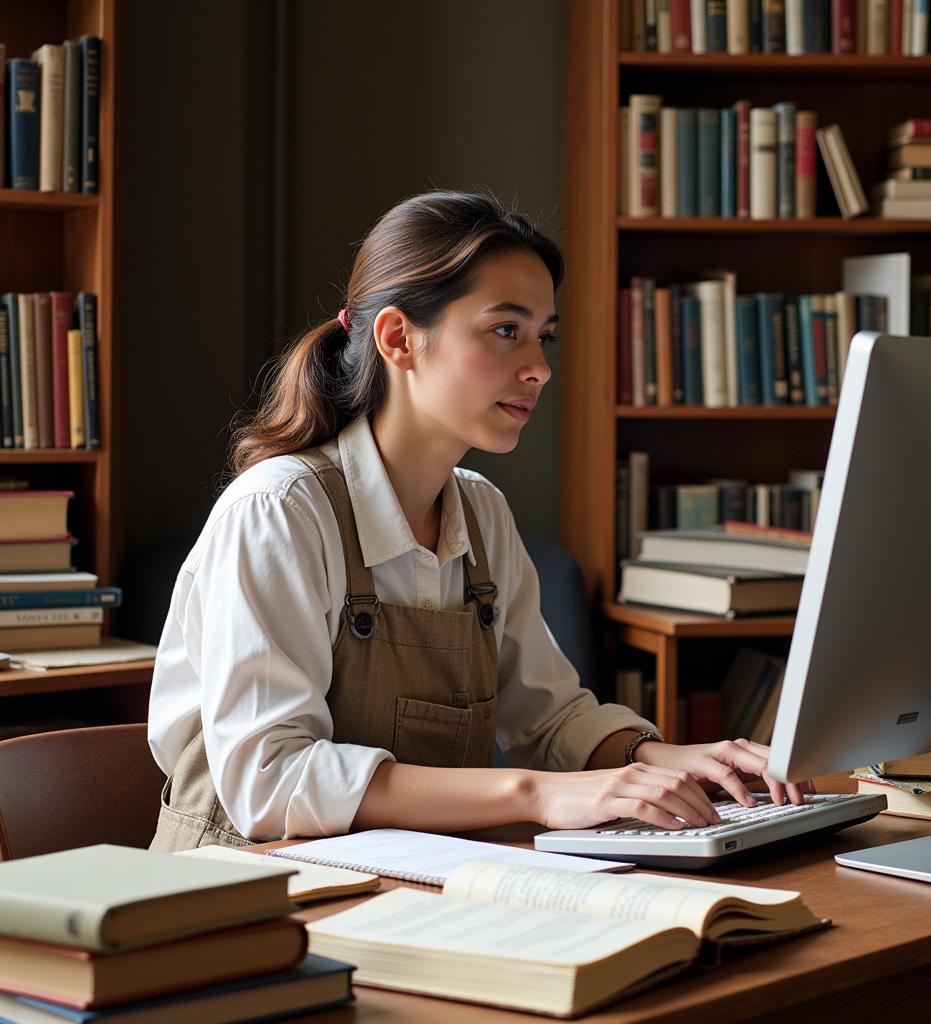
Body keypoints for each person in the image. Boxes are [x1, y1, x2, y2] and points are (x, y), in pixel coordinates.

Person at [148, 189, 810, 851]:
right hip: (237, 905)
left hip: (400, 889)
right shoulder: (279, 510)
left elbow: (549, 721)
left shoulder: (482, 512)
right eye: (506, 330)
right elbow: (270, 783)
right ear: (399, 340)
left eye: (543, 336)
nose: (541, 368)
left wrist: (666, 757)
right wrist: (537, 792)